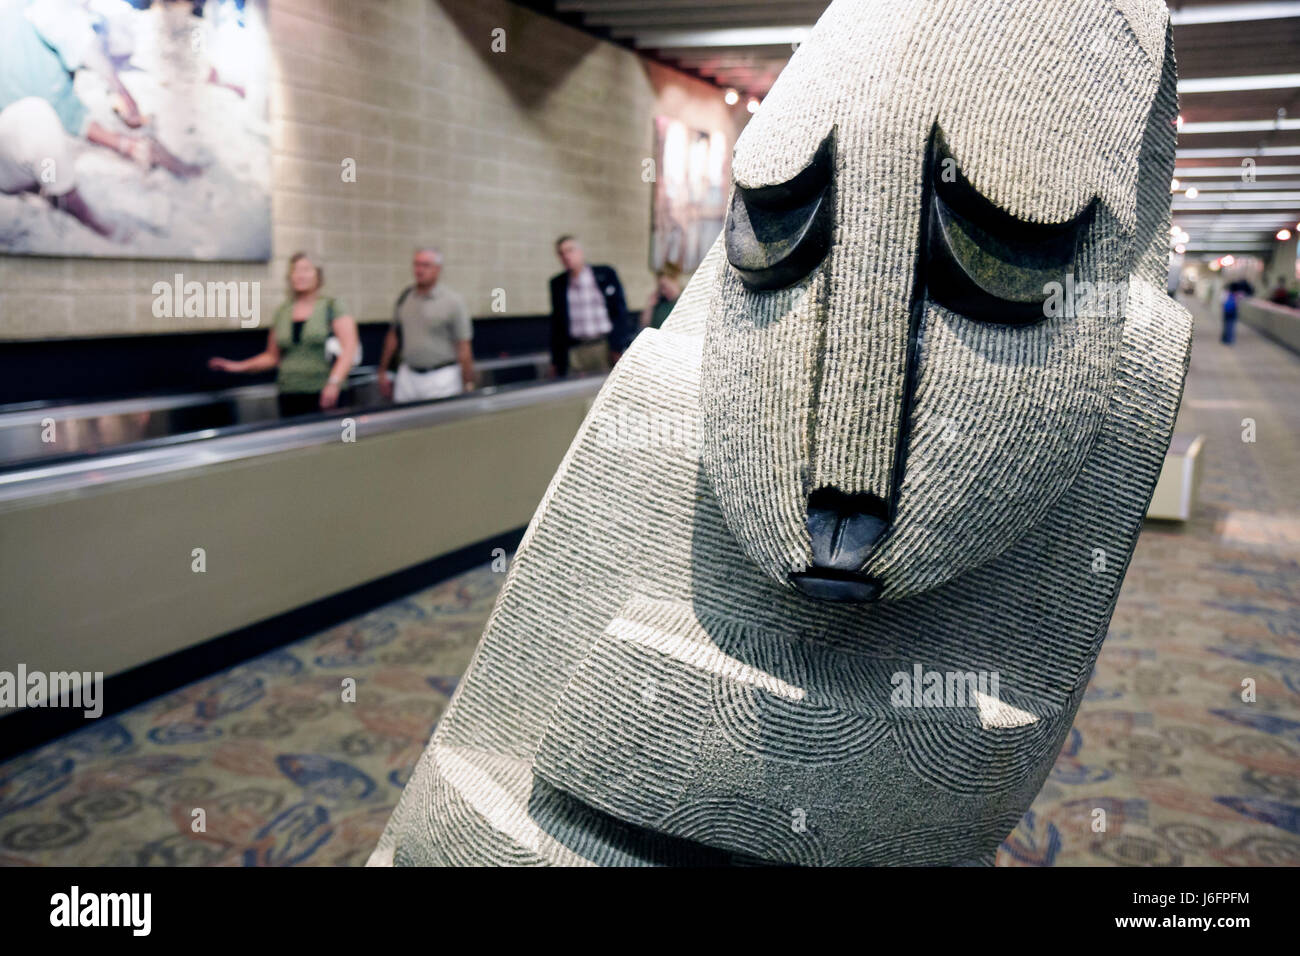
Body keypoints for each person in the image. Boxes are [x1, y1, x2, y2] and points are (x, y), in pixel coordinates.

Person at [0, 0, 200, 239]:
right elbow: (78, 45)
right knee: (38, 118)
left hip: (43, 136)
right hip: (14, 156)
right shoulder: (39, 11)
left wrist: (122, 142)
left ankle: (177, 167)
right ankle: (78, 210)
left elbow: (62, 105)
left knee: (116, 118)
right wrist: (121, 91)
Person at [208, 252, 359, 417]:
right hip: (289, 393)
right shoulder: (283, 311)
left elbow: (349, 348)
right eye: (295, 270)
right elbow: (272, 357)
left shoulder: (332, 306)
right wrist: (237, 366)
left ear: (318, 274)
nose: (300, 275)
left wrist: (334, 383)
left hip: (325, 393)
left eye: (306, 269)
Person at [378, 247, 475, 402]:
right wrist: (383, 370)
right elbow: (393, 336)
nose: (419, 270)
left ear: (437, 269)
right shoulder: (405, 297)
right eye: (416, 264)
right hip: (408, 376)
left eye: (426, 265)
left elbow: (463, 346)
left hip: (441, 378)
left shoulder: (452, 301)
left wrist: (468, 382)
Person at [548, 235, 632, 377]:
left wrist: (618, 346)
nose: (566, 256)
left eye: (570, 250)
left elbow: (619, 312)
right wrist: (556, 360)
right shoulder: (558, 284)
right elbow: (557, 324)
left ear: (580, 252)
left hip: (603, 345)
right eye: (561, 253)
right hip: (576, 349)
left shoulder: (604, 274)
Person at [641, 263, 683, 330]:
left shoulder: (685, 299)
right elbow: (644, 326)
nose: (662, 291)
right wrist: (649, 307)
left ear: (674, 279)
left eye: (664, 286)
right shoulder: (659, 300)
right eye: (660, 287)